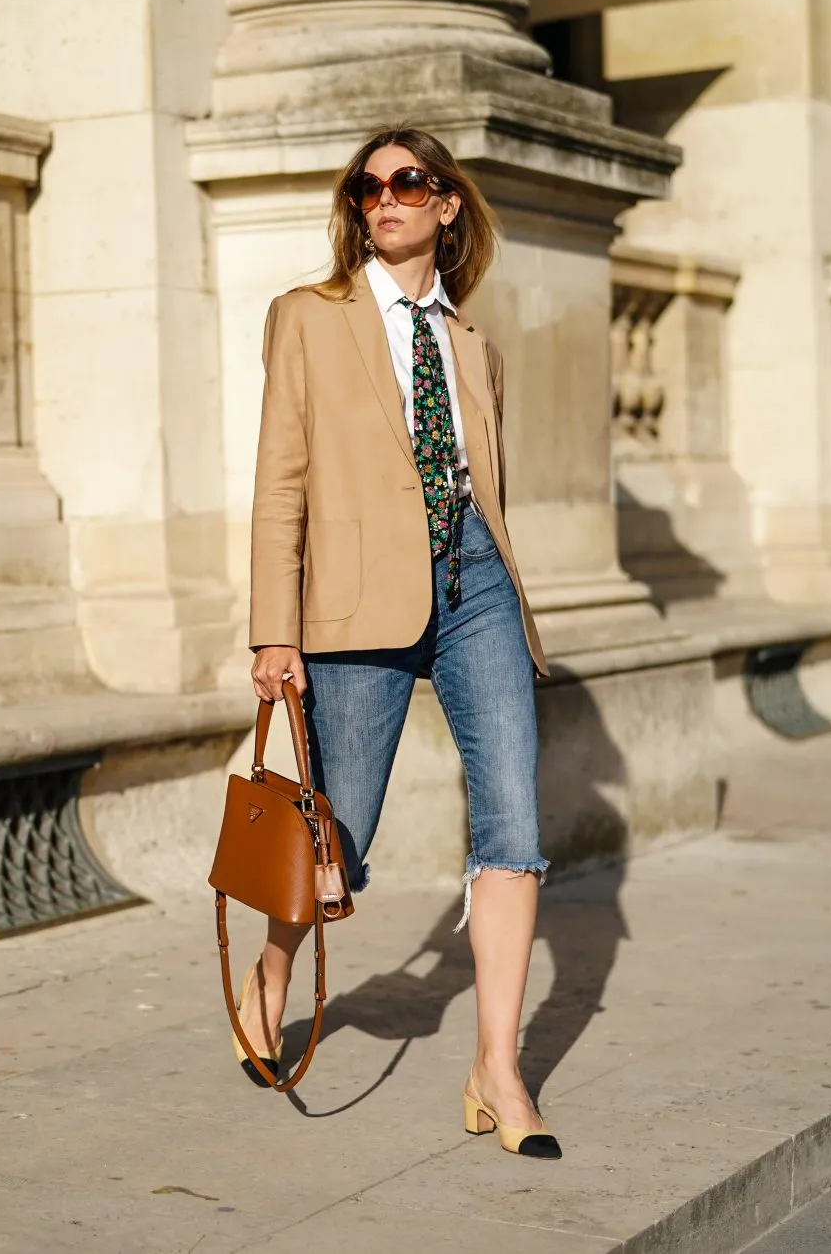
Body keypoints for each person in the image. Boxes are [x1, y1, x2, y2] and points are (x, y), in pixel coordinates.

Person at [238, 127, 559, 1159]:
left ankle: (495, 1069)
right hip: (356, 598)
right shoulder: (308, 316)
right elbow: (278, 481)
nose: (384, 199)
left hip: (476, 590)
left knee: (512, 817)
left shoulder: (472, 344)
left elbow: (485, 491)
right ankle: (274, 969)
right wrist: (271, 631)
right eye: (366, 186)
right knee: (343, 837)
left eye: (406, 182)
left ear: (446, 204)